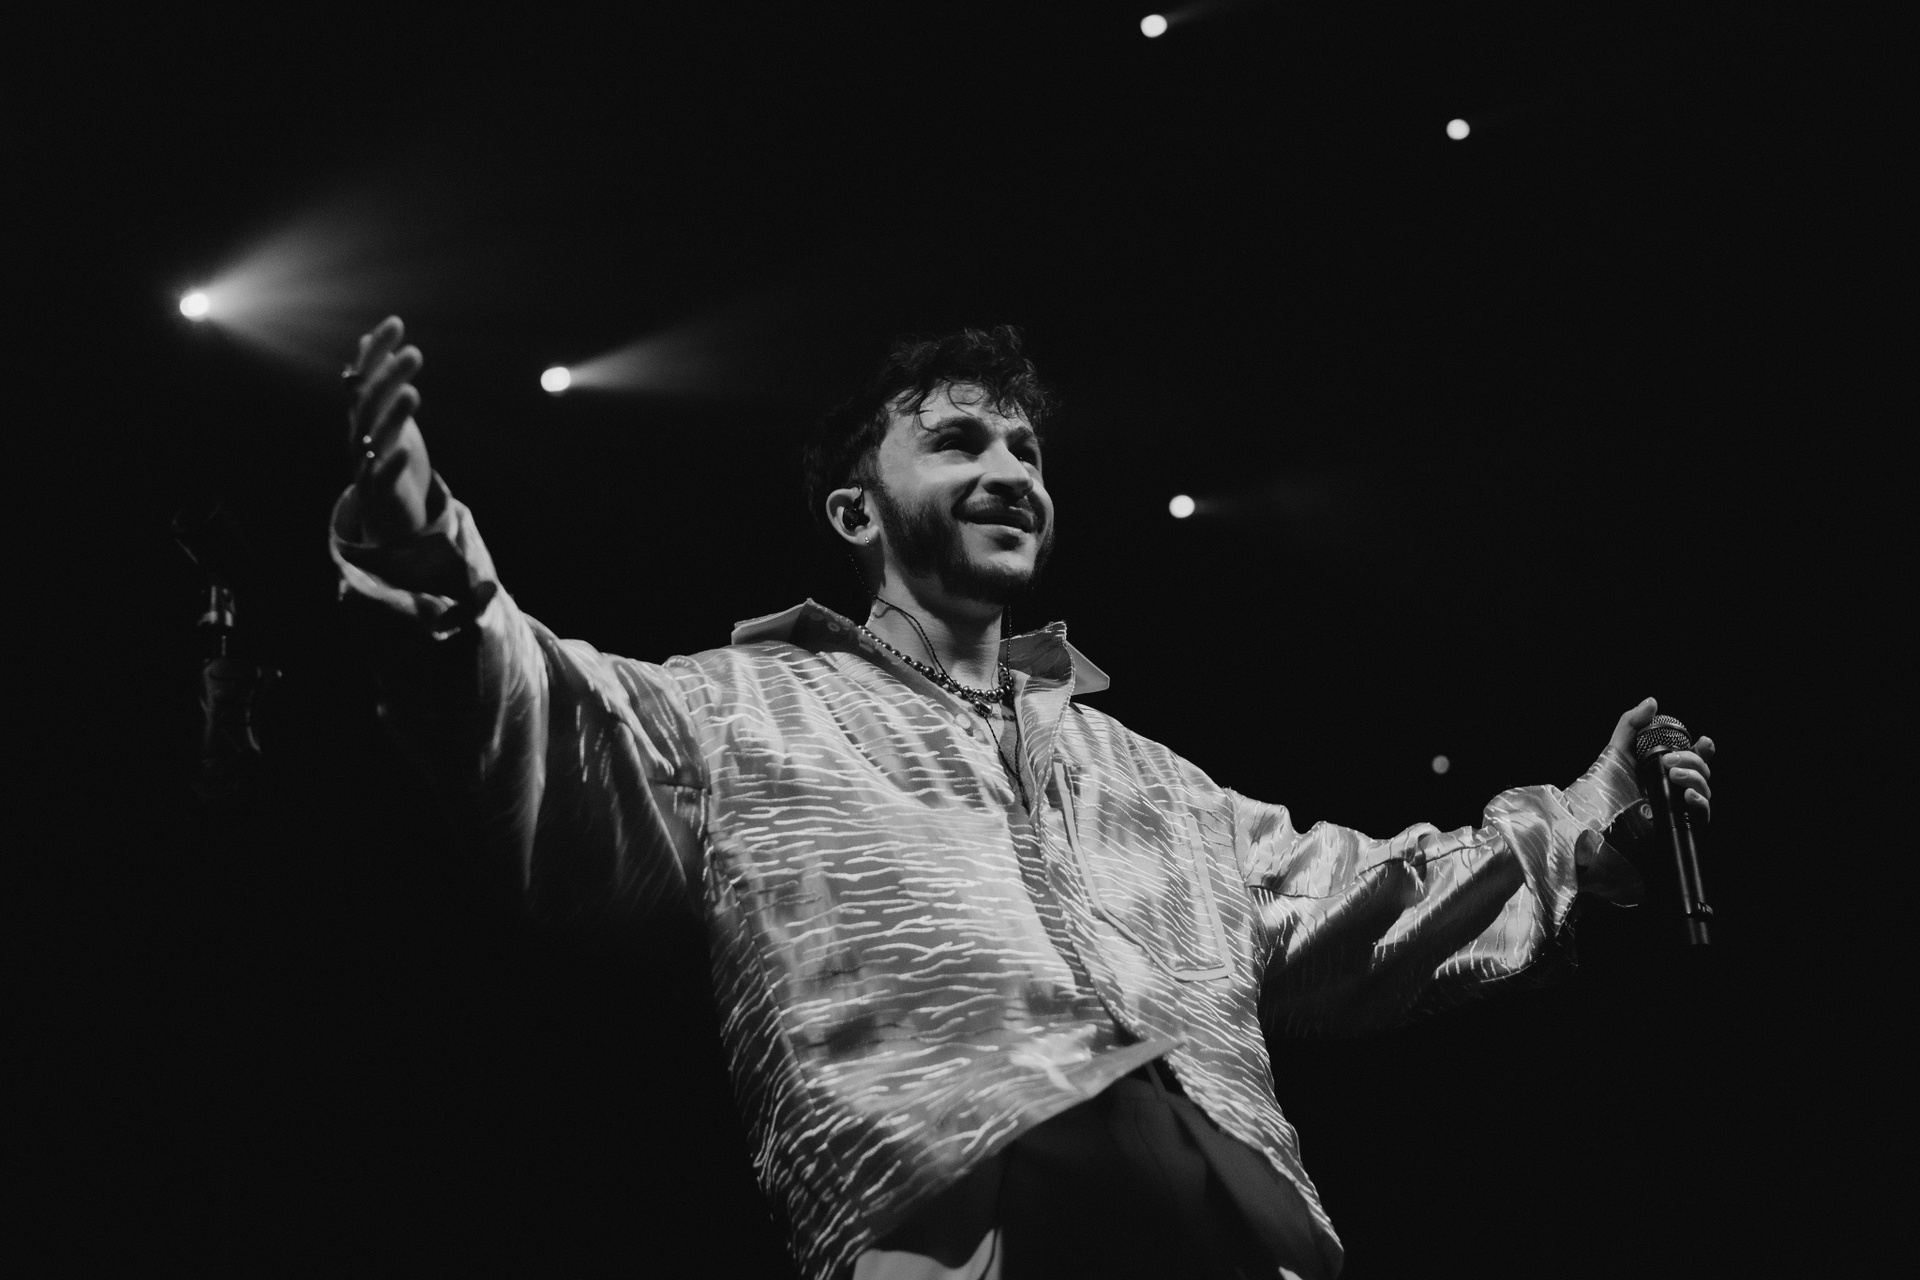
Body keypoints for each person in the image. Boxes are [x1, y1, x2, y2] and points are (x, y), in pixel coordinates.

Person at [331, 316, 1714, 1280]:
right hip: (957, 1215)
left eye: (1028, 452)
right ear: (855, 512)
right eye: (958, 442)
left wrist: (1591, 824)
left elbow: (1380, 897)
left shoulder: (1148, 779)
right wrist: (425, 556)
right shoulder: (737, 708)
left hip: (1227, 1221)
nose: (1010, 473)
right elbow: (538, 713)